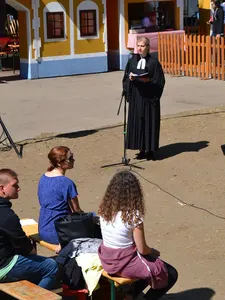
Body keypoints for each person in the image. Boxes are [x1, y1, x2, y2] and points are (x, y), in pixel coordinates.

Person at [98, 171, 178, 300]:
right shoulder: (133, 216)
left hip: (108, 260)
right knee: (170, 273)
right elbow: (142, 249)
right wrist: (153, 251)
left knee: (146, 268)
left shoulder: (104, 211)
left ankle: (129, 296)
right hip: (124, 263)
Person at [0, 169, 58, 290]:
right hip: (3, 266)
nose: (18, 188)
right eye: (14, 185)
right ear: (2, 189)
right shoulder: (6, 215)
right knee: (51, 266)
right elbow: (25, 247)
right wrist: (31, 249)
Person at [123, 36, 165, 161]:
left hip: (149, 98)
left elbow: (160, 81)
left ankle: (150, 150)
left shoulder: (154, 62)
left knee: (149, 123)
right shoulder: (132, 61)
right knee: (138, 123)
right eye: (138, 46)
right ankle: (141, 149)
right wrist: (129, 83)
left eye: (142, 46)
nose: (140, 48)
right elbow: (125, 77)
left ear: (148, 47)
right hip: (136, 97)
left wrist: (148, 80)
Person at [38, 146, 83, 247]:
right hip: (59, 232)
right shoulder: (66, 183)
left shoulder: (44, 177)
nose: (73, 160)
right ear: (59, 163)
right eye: (70, 158)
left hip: (43, 228)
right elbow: (77, 211)